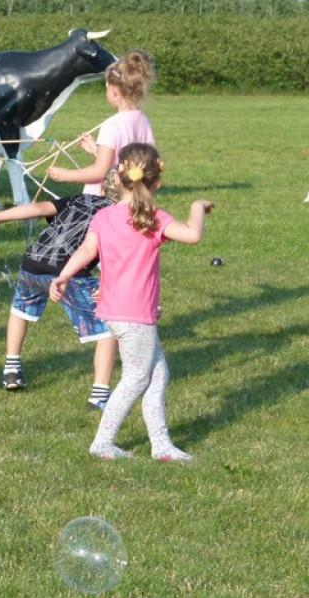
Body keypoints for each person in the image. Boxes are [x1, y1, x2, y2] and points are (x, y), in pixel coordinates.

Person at [51, 143, 214, 462]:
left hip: (114, 311)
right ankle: (103, 442)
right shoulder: (151, 218)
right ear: (157, 181)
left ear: (119, 177)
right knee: (137, 377)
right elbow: (193, 234)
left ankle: (161, 445)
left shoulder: (105, 215)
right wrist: (198, 205)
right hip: (135, 315)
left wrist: (63, 275)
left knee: (157, 373)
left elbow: (86, 251)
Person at [0, 192, 117, 408]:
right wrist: (109, 284)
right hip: (68, 272)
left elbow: (39, 208)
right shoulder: (120, 216)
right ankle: (100, 396)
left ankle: (11, 369)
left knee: (20, 307)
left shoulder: (81, 199)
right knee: (109, 327)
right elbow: (116, 253)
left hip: (33, 261)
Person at [47, 49, 156, 196]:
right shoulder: (143, 120)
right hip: (132, 197)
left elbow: (100, 172)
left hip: (103, 199)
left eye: (106, 86)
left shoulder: (111, 125)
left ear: (114, 91)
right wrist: (97, 151)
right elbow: (130, 165)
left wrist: (66, 175)